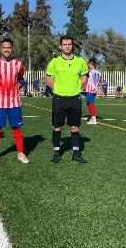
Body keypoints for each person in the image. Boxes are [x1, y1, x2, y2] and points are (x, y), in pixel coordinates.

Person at [46, 35, 88, 164]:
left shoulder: (80, 61)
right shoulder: (54, 62)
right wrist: (58, 90)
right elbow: (49, 80)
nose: (67, 47)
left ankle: (76, 153)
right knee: (57, 127)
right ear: (60, 46)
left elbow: (84, 77)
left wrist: (75, 89)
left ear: (72, 46)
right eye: (64, 44)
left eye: (69, 44)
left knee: (75, 127)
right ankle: (56, 153)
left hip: (75, 99)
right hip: (59, 99)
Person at [0, 38, 29, 164]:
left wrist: (18, 87)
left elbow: (21, 79)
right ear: (1, 49)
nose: (6, 50)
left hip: (14, 100)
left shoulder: (18, 64)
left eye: (9, 48)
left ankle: (21, 153)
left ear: (12, 48)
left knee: (16, 127)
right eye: (4, 48)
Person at [84, 58, 104, 125]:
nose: (87, 65)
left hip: (90, 89)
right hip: (94, 89)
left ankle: (94, 119)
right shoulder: (98, 72)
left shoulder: (90, 72)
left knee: (90, 103)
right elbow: (100, 82)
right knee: (89, 103)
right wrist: (102, 91)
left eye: (88, 64)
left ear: (90, 64)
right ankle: (92, 117)